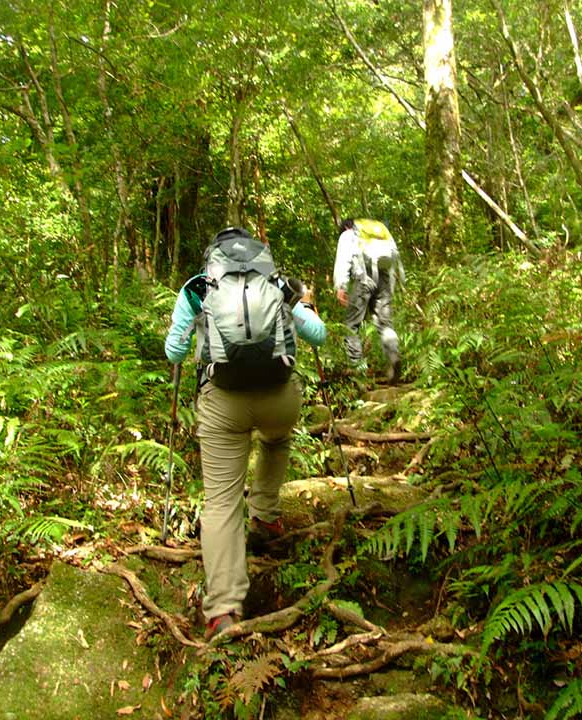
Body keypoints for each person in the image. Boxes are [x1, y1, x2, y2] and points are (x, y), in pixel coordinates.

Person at [164, 227, 326, 640]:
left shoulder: (199, 288)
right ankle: (266, 517)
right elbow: (319, 335)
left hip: (224, 403)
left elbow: (174, 352)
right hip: (279, 400)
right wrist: (304, 306)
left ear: (212, 257)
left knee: (220, 502)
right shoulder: (278, 284)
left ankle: (222, 610)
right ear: (259, 256)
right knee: (276, 438)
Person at [333, 218, 404, 382]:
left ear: (345, 227)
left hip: (364, 278)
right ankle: (393, 357)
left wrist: (341, 286)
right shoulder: (378, 233)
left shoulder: (348, 235)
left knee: (351, 325)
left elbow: (343, 260)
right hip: (384, 279)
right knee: (385, 324)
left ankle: (356, 370)